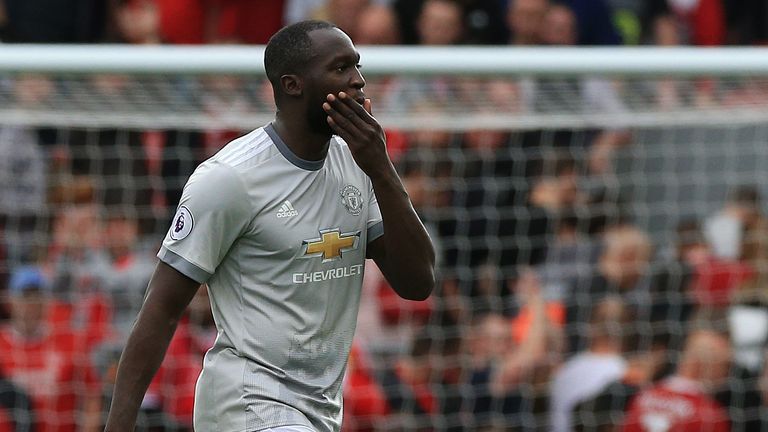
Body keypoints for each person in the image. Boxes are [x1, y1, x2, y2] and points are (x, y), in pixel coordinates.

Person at [104, 19, 436, 432]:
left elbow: (418, 283)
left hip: (319, 408)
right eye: (340, 68)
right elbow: (161, 308)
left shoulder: (357, 162)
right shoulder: (230, 178)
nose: (358, 81)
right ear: (292, 85)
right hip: (246, 402)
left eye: (357, 67)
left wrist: (382, 169)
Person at [622, 329, 732, 432]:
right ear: (700, 364)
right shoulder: (711, 415)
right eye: (725, 365)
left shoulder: (642, 395)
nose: (727, 373)